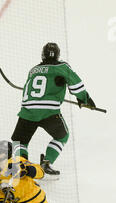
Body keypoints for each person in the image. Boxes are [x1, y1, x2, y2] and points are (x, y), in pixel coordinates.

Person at [11, 42, 96, 177]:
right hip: (49, 112)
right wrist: (84, 99)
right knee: (62, 136)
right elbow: (76, 84)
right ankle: (47, 163)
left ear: (43, 55)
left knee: (20, 141)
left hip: (28, 111)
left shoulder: (33, 70)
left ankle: (22, 167)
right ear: (58, 55)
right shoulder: (61, 66)